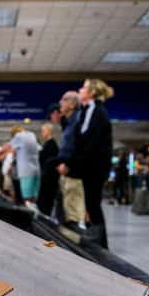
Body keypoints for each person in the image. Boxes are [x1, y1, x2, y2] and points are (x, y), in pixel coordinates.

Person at [59, 79, 114, 248]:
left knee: (93, 203)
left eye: (83, 88)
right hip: (89, 166)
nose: (80, 90)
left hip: (96, 167)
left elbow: (89, 144)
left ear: (92, 93)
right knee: (91, 202)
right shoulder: (86, 112)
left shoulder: (98, 112)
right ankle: (97, 237)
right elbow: (80, 141)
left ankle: (101, 243)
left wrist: (71, 164)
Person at [53, 91, 83, 227]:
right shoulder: (69, 122)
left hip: (73, 172)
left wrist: (68, 164)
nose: (60, 103)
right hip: (66, 171)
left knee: (73, 213)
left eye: (64, 100)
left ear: (72, 104)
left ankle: (74, 244)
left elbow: (79, 147)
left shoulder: (77, 121)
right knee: (65, 210)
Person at [3, 125, 40, 207]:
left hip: (23, 173)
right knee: (28, 196)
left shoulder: (22, 141)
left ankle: (26, 210)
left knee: (25, 197)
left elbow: (10, 151)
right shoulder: (30, 141)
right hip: (27, 172)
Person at [36, 123, 60, 215]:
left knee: (46, 201)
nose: (42, 133)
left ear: (48, 131)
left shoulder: (51, 145)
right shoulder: (47, 144)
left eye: (43, 131)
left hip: (50, 179)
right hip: (46, 177)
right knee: (43, 201)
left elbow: (49, 161)